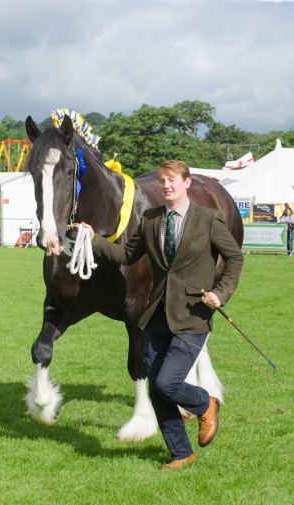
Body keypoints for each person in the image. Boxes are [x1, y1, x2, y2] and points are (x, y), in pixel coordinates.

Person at [83, 160, 243, 470]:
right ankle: (180, 453)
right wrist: (94, 240)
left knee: (168, 384)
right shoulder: (150, 219)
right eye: (161, 181)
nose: (166, 186)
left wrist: (220, 293)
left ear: (187, 184)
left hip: (192, 316)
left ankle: (205, 403)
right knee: (157, 389)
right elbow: (127, 255)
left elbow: (234, 258)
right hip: (155, 314)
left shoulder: (208, 219)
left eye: (171, 180)